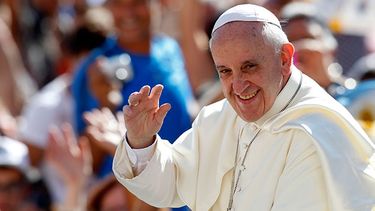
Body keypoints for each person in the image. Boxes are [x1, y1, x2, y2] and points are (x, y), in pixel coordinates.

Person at [112, 4, 375, 211]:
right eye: (225, 71)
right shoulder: (221, 117)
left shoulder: (315, 133)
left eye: (249, 67)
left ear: (284, 59)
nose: (238, 86)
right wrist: (141, 141)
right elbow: (172, 183)